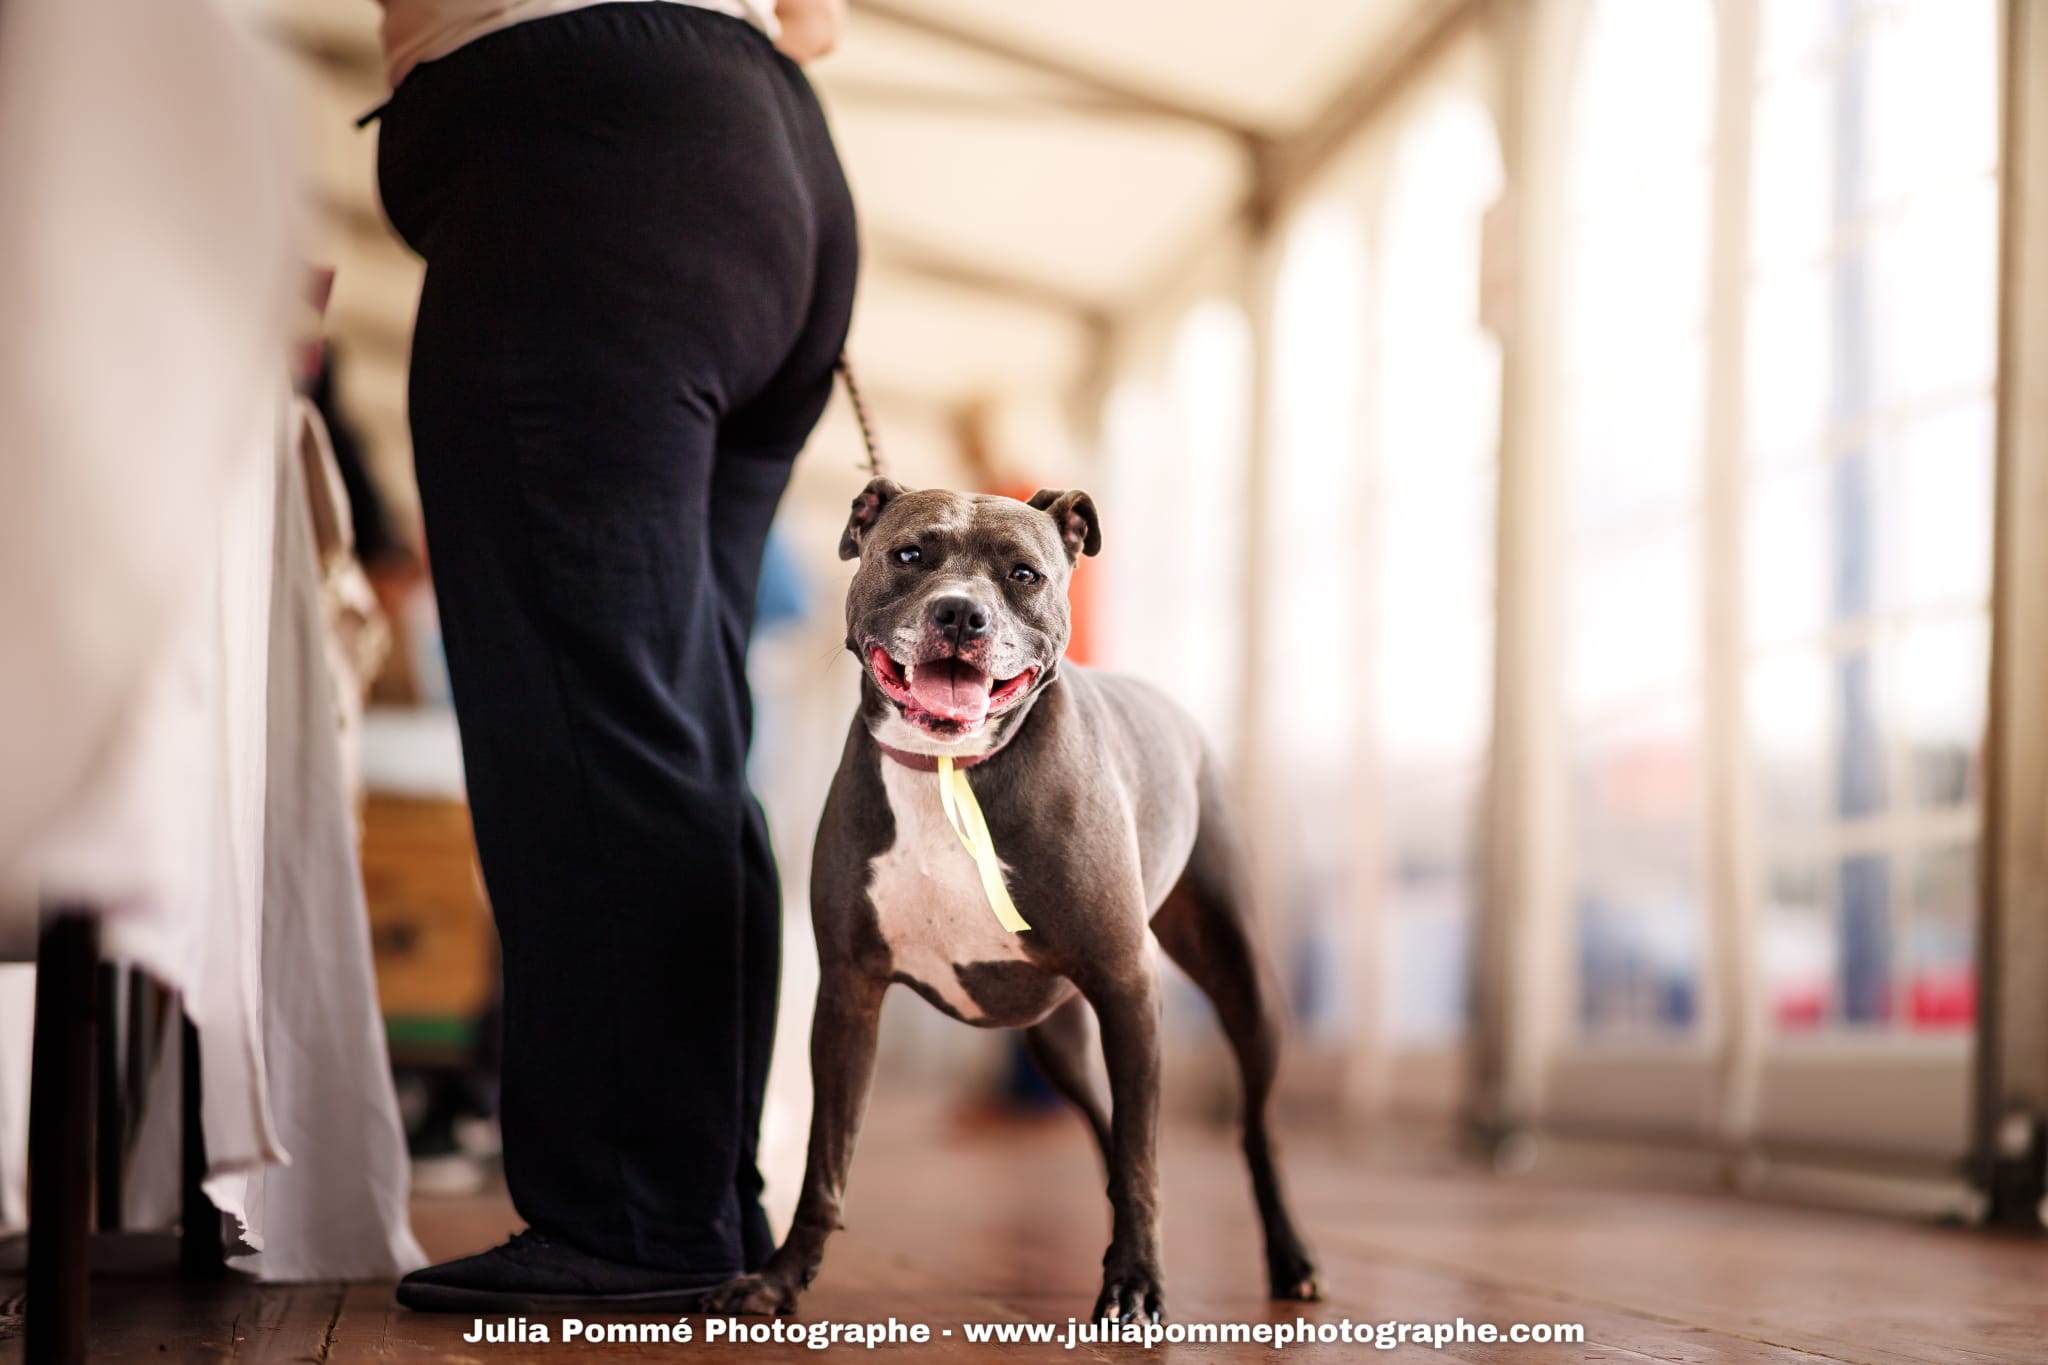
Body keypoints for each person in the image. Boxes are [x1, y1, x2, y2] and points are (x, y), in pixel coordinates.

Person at [372, 0, 856, 1311]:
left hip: (585, 174)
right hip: (769, 159)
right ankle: (701, 1193)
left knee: (592, 719)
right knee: (678, 719)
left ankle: (638, 1216)